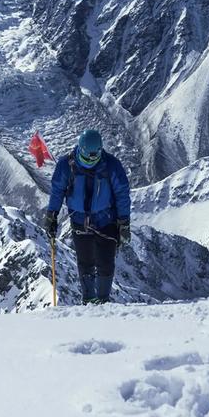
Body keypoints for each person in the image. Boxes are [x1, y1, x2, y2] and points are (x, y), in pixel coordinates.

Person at [44, 128, 131, 305]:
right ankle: (89, 299)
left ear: (100, 151)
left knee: (105, 262)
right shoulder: (66, 165)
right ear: (80, 150)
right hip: (79, 220)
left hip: (106, 221)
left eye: (94, 156)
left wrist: (124, 223)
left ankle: (103, 300)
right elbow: (57, 191)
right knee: (86, 262)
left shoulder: (111, 165)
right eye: (87, 157)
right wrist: (51, 215)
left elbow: (122, 194)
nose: (91, 160)